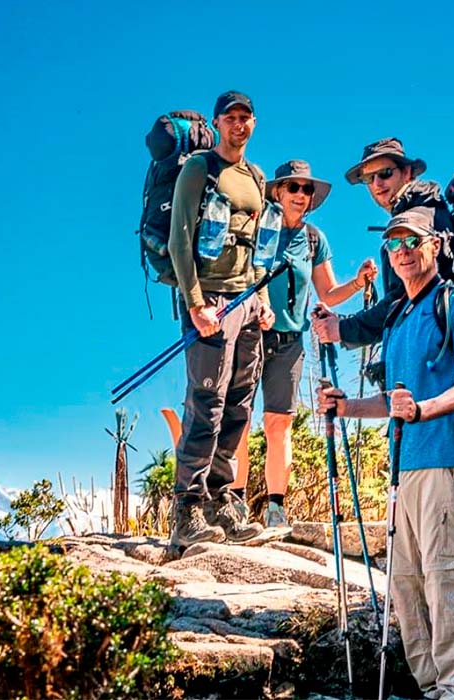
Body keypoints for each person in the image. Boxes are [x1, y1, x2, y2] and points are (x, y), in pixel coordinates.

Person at [316, 207, 454, 699]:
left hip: (445, 460)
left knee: (447, 579)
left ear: (434, 245)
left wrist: (423, 410)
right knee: (406, 586)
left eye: (412, 242)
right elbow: (395, 403)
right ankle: (433, 688)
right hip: (402, 469)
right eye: (393, 245)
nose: (403, 252)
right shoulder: (396, 317)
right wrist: (345, 406)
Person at [230, 159, 378, 528]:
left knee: (279, 421)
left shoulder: (314, 239)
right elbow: (240, 278)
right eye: (293, 187)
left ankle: (276, 507)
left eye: (306, 189)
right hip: (250, 334)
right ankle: (234, 503)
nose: (300, 194)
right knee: (241, 421)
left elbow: (328, 291)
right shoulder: (256, 229)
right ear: (277, 192)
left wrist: (359, 282)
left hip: (291, 340)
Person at [165, 90, 272, 546]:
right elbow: (178, 241)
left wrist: (262, 298)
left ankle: (221, 501)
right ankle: (186, 512)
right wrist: (195, 304)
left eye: (246, 118)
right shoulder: (199, 169)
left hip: (246, 301)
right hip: (209, 301)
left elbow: (261, 245)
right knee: (205, 403)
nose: (239, 125)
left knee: (239, 404)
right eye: (231, 118)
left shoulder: (258, 177)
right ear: (217, 123)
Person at [313, 137, 454, 348]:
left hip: (434, 357)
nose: (377, 184)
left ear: (407, 173)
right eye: (369, 178)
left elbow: (402, 303)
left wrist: (341, 329)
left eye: (385, 173)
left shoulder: (418, 221)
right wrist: (343, 322)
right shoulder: (429, 211)